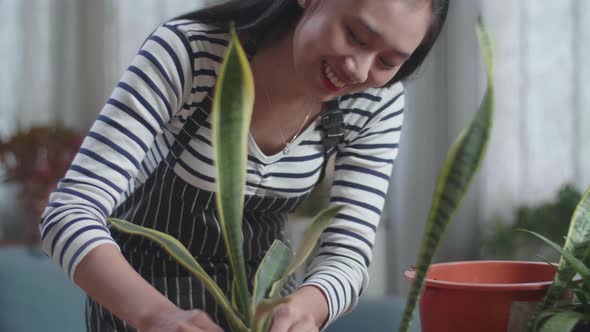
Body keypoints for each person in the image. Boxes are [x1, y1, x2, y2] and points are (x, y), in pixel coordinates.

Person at [40, 0, 449, 331]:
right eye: (356, 35)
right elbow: (69, 213)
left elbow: (349, 252)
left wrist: (306, 309)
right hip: (139, 313)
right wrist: (157, 316)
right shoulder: (189, 55)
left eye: (388, 61)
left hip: (260, 313)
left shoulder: (376, 102)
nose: (359, 69)